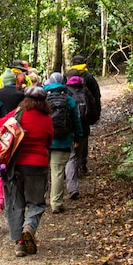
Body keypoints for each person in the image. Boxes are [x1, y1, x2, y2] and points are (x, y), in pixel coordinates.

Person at [0, 85, 53, 257]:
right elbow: (49, 141)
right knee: (37, 203)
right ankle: (29, 226)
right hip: (38, 166)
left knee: (15, 204)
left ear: (26, 99)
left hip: (14, 166)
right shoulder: (47, 119)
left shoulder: (18, 114)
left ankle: (19, 243)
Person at [43, 72, 82, 214]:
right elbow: (76, 120)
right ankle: (56, 203)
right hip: (63, 140)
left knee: (43, 171)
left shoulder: (43, 99)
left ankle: (41, 199)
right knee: (57, 172)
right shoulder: (69, 99)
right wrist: (77, 136)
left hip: (45, 141)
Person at [65, 55, 101, 179]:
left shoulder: (67, 75)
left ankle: (69, 168)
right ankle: (82, 165)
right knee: (83, 138)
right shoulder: (88, 76)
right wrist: (96, 114)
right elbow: (96, 95)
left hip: (69, 116)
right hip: (85, 115)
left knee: (70, 140)